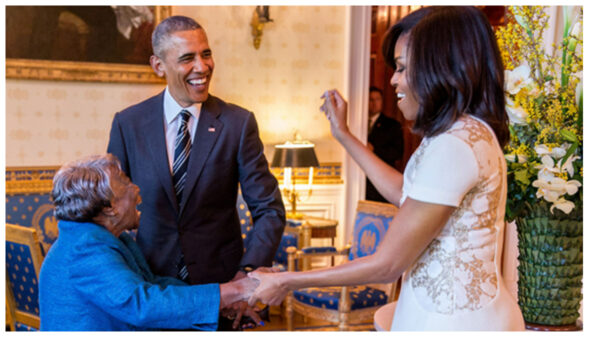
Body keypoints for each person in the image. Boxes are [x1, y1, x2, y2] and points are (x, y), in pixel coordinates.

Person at [249, 6, 525, 331]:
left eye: (402, 68)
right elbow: (404, 193)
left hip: (455, 322)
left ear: (441, 68)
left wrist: (287, 281)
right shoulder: (460, 132)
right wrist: (343, 135)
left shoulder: (455, 143)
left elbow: (388, 264)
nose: (393, 79)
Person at [107, 15, 286, 329]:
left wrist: (247, 277)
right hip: (152, 291)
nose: (202, 67)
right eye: (187, 58)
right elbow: (110, 210)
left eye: (206, 54)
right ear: (158, 65)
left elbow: (269, 209)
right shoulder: (128, 124)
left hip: (224, 292)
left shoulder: (238, 124)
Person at [39, 154, 259, 330]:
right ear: (109, 207)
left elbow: (153, 284)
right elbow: (142, 304)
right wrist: (238, 289)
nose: (136, 189)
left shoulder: (106, 238)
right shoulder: (86, 248)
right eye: (125, 183)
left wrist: (222, 302)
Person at [366, 86, 404, 202]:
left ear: (382, 101)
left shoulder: (392, 125)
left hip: (383, 178)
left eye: (377, 99)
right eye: (371, 100)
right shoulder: (358, 122)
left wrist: (374, 150)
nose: (374, 103)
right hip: (363, 180)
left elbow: (398, 153)